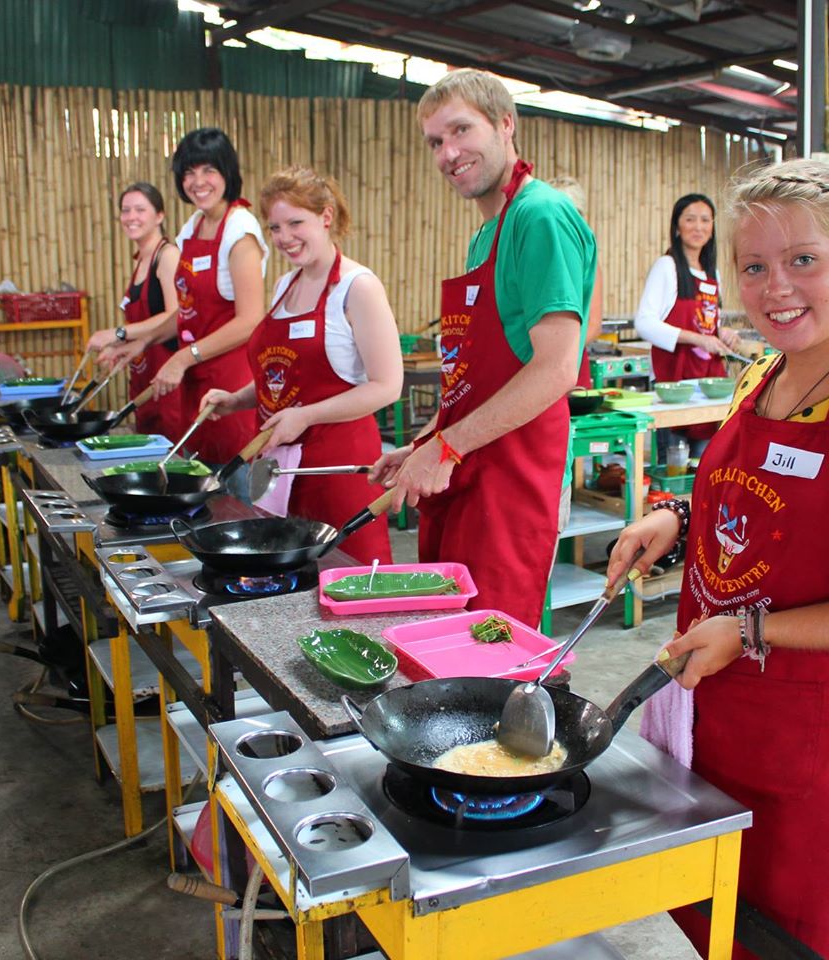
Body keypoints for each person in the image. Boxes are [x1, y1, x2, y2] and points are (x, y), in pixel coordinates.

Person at [608, 160, 829, 959]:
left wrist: (750, 630)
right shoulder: (761, 378)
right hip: (722, 731)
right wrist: (674, 515)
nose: (776, 288)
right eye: (755, 267)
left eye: (804, 260)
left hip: (823, 757)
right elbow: (746, 505)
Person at [372, 69, 596, 627]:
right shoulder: (487, 230)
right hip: (471, 469)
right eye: (435, 142)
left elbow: (556, 368)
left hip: (510, 478)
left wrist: (445, 449)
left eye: (460, 131)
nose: (449, 153)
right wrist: (425, 442)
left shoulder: (539, 215)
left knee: (490, 651)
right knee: (452, 639)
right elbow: (478, 375)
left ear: (504, 124)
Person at [199, 167, 402, 564]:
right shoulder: (284, 286)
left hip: (338, 471)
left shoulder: (357, 287)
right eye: (275, 227)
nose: (284, 238)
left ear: (326, 217)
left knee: (346, 580)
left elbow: (387, 385)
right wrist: (236, 399)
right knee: (288, 585)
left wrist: (305, 416)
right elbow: (284, 380)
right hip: (280, 474)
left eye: (296, 222)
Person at [102, 128, 265, 461]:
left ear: (227, 173)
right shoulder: (191, 228)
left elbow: (250, 321)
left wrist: (182, 357)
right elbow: (189, 312)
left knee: (234, 494)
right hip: (196, 384)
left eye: (209, 170)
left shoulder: (240, 231)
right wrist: (143, 341)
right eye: (189, 172)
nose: (198, 181)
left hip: (232, 385)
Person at [634, 194, 746, 451]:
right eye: (690, 219)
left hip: (708, 386)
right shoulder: (667, 266)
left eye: (705, 220)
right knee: (673, 468)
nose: (698, 227)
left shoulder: (712, 273)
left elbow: (706, 322)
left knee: (704, 463)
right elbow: (644, 322)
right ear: (677, 226)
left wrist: (722, 333)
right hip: (674, 383)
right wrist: (698, 339)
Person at [86, 183, 179, 435]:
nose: (131, 217)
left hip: (169, 384)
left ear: (159, 215)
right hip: (142, 380)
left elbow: (175, 314)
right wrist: (119, 347)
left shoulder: (167, 255)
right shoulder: (140, 261)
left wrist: (118, 333)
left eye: (140, 209)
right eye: (126, 210)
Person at [544, 176, 603, 389]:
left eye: (573, 214)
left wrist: (554, 353)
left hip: (571, 363)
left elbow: (593, 325)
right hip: (528, 363)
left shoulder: (588, 262)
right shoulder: (533, 259)